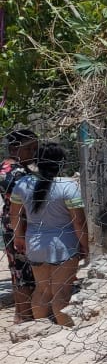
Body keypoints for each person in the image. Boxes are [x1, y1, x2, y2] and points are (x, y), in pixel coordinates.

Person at [11, 142, 88, 327]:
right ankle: (64, 332)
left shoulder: (22, 184)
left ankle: (40, 331)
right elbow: (78, 222)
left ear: (37, 161)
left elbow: (15, 215)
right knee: (61, 293)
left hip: (35, 246)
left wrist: (20, 238)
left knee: (42, 291)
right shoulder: (67, 186)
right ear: (60, 163)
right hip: (64, 246)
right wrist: (85, 246)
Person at [0, 128, 38, 323]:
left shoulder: (3, 168)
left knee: (17, 270)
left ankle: (20, 314)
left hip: (9, 224)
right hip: (22, 225)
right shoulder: (19, 173)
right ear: (15, 148)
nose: (34, 153)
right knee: (26, 270)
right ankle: (25, 316)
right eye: (30, 148)